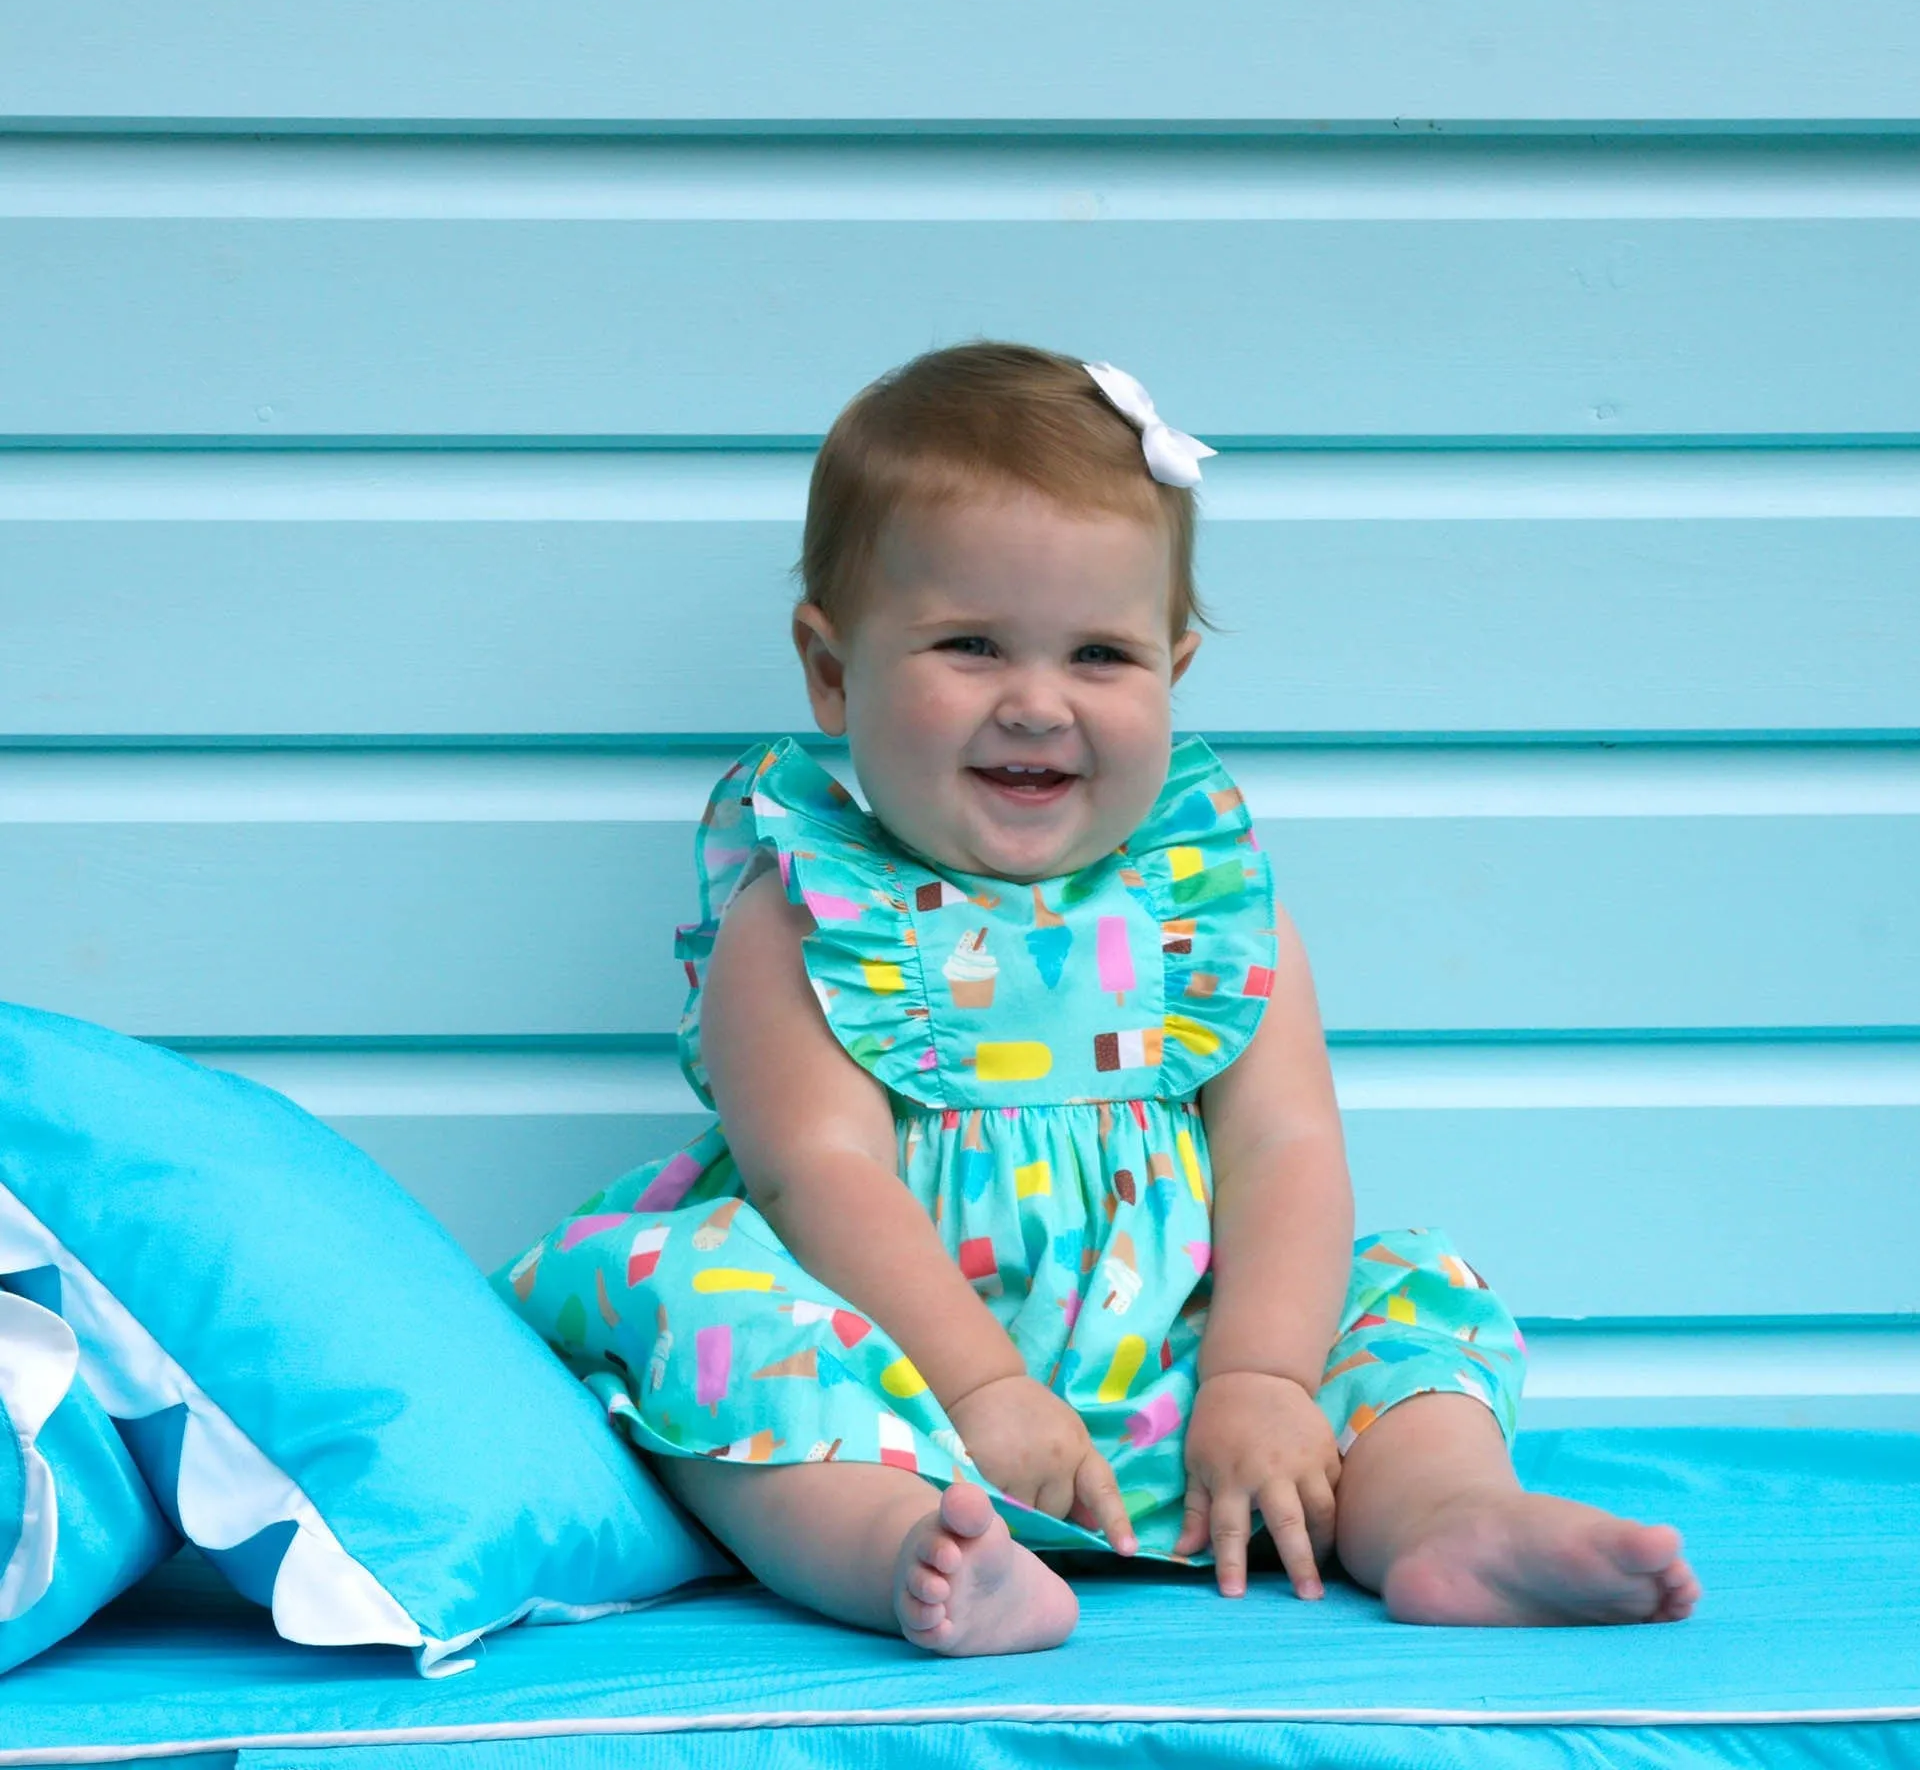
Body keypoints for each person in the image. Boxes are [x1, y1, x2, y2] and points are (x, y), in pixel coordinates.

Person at [498, 343, 1700, 1655]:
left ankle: (1449, 1516)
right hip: (911, 1371)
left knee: (1398, 1297)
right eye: (970, 646)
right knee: (713, 1328)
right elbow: (818, 1179)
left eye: (1101, 656)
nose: (1036, 703)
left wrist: (1260, 1377)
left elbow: (1285, 1148)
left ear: (1174, 670)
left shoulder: (1211, 906)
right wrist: (984, 1387)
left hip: (1188, 1372)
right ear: (833, 672)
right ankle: (904, 1551)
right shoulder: (804, 913)